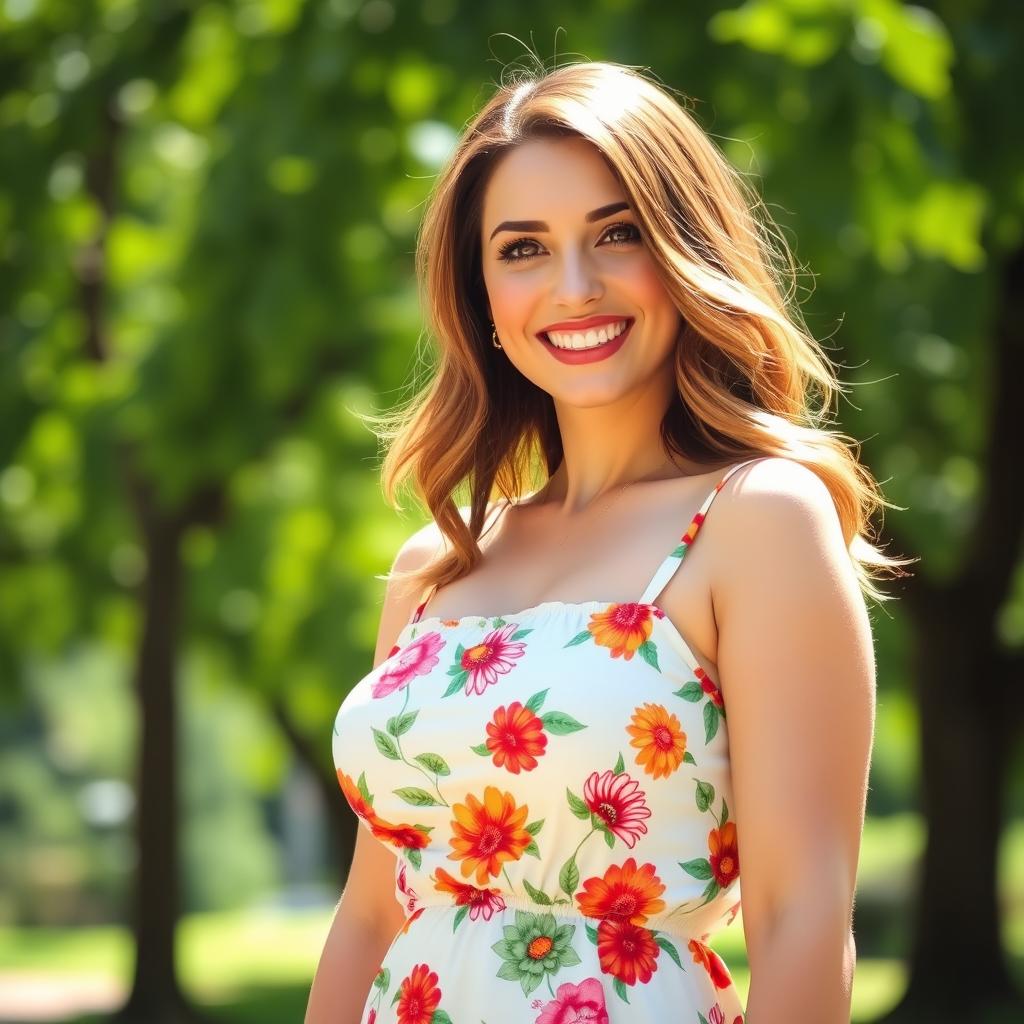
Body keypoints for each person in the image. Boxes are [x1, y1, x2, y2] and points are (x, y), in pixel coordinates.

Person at [307, 58, 910, 1024]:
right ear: (480, 294)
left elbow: (803, 919)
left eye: (617, 234)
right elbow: (371, 915)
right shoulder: (437, 566)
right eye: (523, 249)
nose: (575, 287)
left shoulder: (757, 520)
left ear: (684, 250)